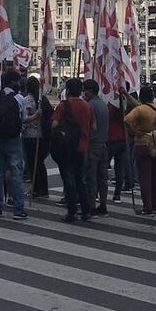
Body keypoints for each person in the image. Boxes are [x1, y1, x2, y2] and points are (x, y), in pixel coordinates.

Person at [0, 70, 28, 220]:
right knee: (16, 174)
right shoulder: (19, 99)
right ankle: (18, 209)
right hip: (13, 139)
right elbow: (23, 119)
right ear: (13, 82)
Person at [54, 78, 93, 222]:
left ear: (68, 90)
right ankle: (86, 211)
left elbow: (54, 124)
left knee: (68, 180)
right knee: (80, 180)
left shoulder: (63, 106)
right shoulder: (87, 106)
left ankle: (72, 212)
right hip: (82, 147)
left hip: (66, 147)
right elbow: (93, 127)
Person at [124, 85, 156, 216]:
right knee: (155, 177)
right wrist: (126, 95)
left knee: (144, 177)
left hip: (142, 144)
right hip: (155, 144)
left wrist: (134, 131)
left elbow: (126, 119)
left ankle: (147, 207)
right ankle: (154, 205)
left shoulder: (140, 110)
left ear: (140, 97)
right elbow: (137, 105)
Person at [82, 79, 110, 216]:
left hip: (93, 144)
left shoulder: (90, 105)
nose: (83, 93)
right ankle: (103, 204)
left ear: (91, 91)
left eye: (85, 90)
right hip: (103, 144)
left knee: (91, 177)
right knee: (102, 177)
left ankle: (91, 205)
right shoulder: (103, 105)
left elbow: (90, 127)